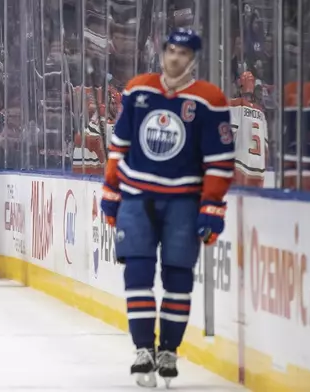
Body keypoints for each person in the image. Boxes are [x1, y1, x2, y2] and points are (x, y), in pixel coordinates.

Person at [100, 29, 234, 388]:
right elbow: (119, 146)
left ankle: (169, 351)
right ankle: (143, 349)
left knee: (178, 278)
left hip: (183, 201)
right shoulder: (138, 89)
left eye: (183, 53)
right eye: (171, 50)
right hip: (136, 197)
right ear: (163, 53)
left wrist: (212, 208)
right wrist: (111, 192)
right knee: (138, 275)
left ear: (193, 59)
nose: (175, 58)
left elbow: (219, 162)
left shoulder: (209, 100)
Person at [230, 71, 267, 187]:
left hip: (241, 164)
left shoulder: (236, 104)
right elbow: (266, 148)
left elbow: (228, 135)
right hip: (258, 169)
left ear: (240, 86)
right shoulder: (261, 112)